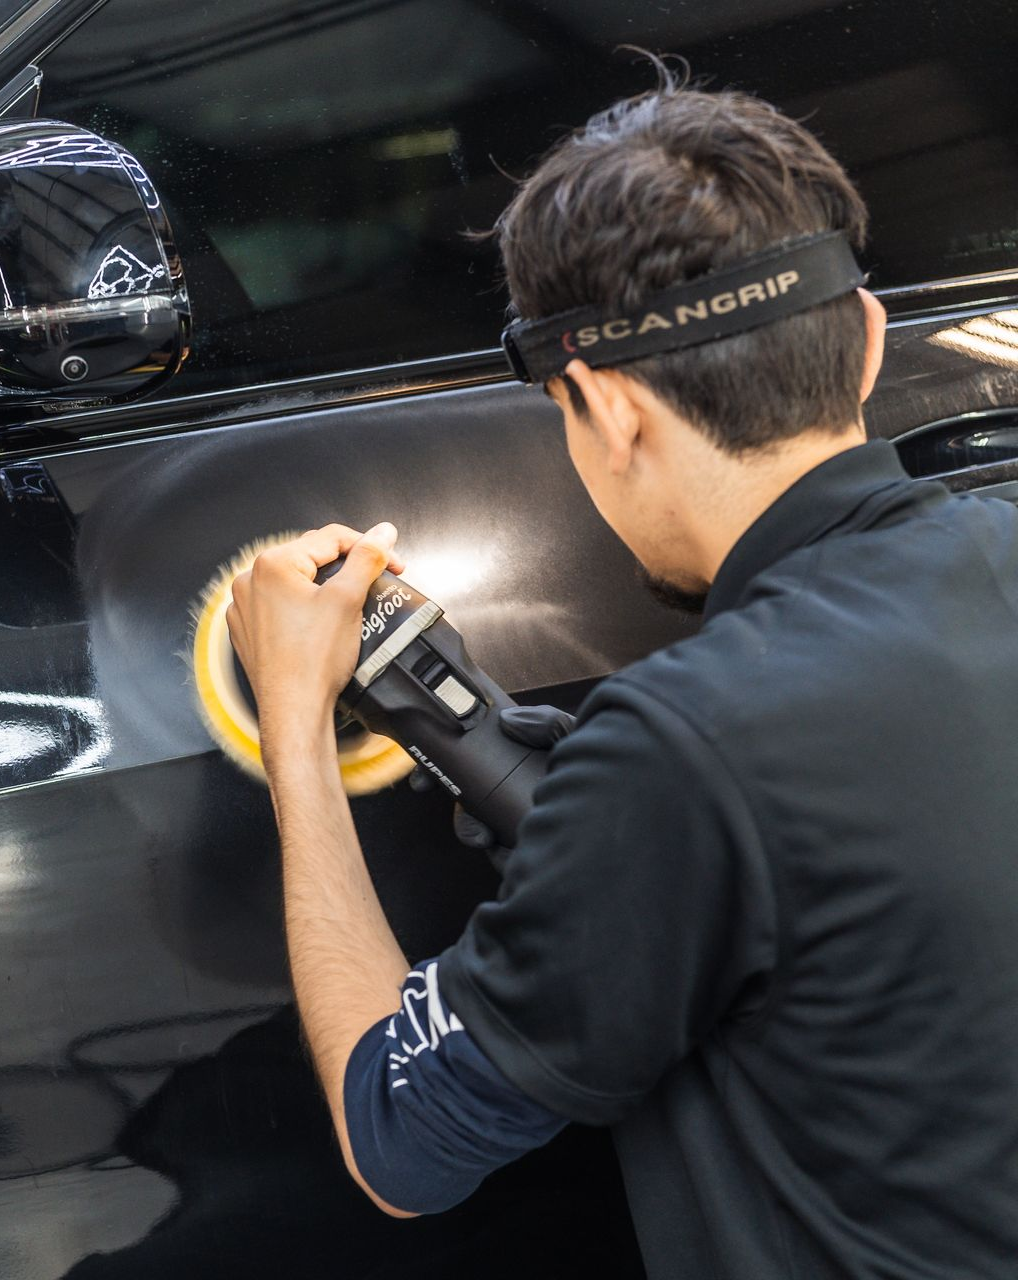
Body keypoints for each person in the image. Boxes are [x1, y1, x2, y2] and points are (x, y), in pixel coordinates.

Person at [225, 68, 1018, 1279]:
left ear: (602, 404)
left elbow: (400, 1138)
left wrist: (291, 720)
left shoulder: (687, 749)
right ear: (863, 342)